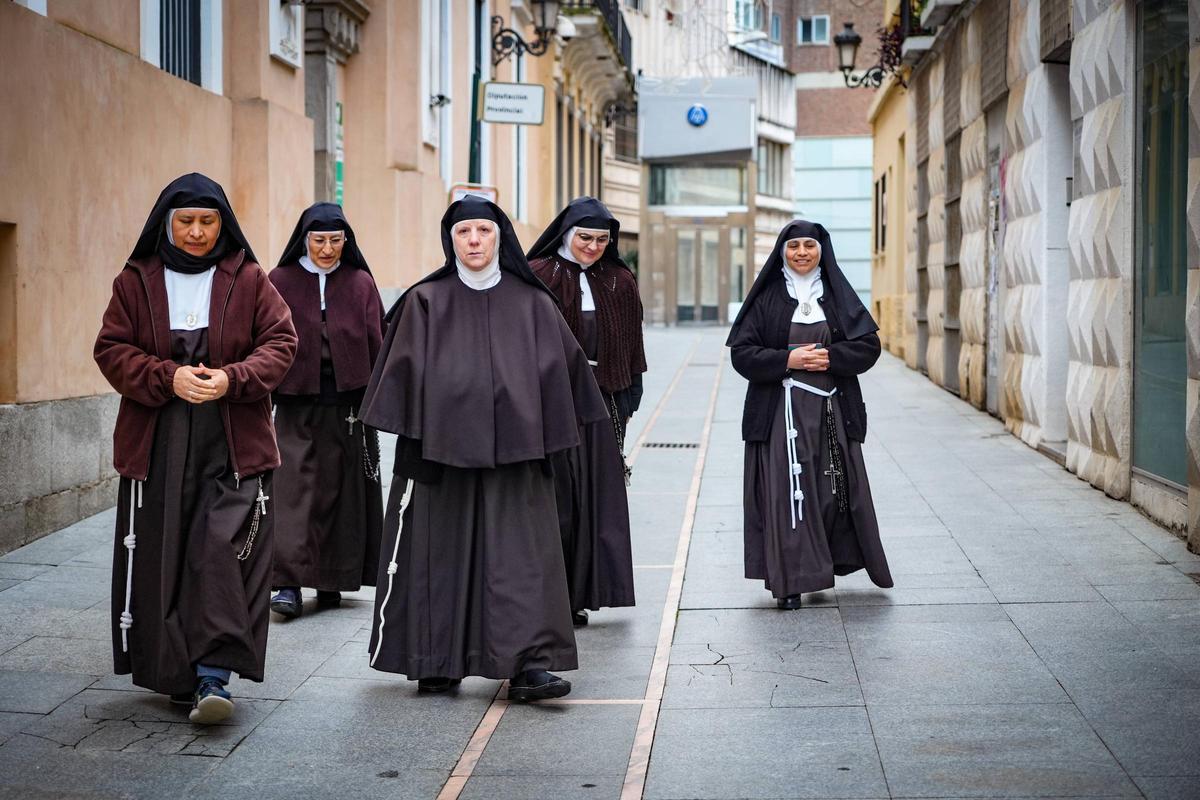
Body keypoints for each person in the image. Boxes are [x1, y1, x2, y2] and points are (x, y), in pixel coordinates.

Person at [359, 196, 610, 701]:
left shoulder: (533, 302)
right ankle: (435, 658)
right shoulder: (424, 300)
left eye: (484, 231)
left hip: (518, 452)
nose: (474, 241)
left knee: (521, 556)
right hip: (439, 452)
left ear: (501, 238)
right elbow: (401, 374)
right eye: (463, 232)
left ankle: (529, 663)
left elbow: (562, 373)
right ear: (450, 240)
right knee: (438, 552)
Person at [94, 173, 297, 723]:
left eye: (208, 221)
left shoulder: (249, 279)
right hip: (158, 440)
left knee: (221, 551)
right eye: (186, 221)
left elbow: (282, 342)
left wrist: (232, 379)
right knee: (166, 554)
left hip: (232, 442)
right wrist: (168, 377)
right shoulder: (136, 281)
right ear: (166, 224)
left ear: (222, 224)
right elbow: (111, 349)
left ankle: (214, 675)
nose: (197, 232)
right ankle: (178, 674)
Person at [727, 220, 892, 609]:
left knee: (829, 493)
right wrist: (788, 360)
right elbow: (742, 354)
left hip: (830, 411)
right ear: (782, 252)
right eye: (794, 246)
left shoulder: (835, 294)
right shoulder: (767, 298)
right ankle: (791, 582)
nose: (801, 252)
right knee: (788, 494)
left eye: (809, 245)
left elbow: (868, 347)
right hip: (779, 415)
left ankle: (824, 566)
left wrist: (831, 358)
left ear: (821, 250)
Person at [526, 197, 644, 625]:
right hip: (552, 402)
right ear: (566, 234)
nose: (593, 247)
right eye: (585, 238)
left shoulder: (619, 280)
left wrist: (628, 401)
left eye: (601, 240)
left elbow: (633, 346)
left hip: (604, 400)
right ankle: (553, 596)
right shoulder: (537, 275)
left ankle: (584, 594)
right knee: (558, 499)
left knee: (598, 500)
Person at [268, 203, 385, 619]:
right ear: (304, 240)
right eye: (319, 240)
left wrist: (377, 399)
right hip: (295, 402)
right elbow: (266, 338)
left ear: (346, 241)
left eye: (336, 240)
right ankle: (287, 583)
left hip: (347, 407)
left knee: (340, 494)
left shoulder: (359, 283)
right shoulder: (280, 280)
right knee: (292, 491)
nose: (327, 249)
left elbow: (379, 340)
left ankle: (331, 577)